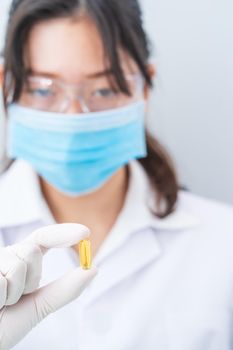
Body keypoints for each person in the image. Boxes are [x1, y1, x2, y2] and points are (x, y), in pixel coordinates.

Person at [0, 0, 233, 349]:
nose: (75, 116)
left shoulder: (223, 244)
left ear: (144, 87)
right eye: (45, 90)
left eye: (104, 89)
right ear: (7, 85)